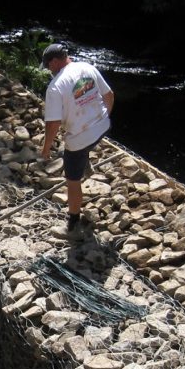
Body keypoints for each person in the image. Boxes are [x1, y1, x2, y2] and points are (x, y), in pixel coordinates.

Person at [39, 43, 114, 235]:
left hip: (80, 139)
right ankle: (85, 160)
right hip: (103, 127)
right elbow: (109, 95)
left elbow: (53, 123)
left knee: (72, 180)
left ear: (55, 62)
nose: (48, 70)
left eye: (48, 66)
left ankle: (72, 222)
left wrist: (46, 149)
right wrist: (103, 117)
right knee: (83, 145)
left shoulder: (55, 87)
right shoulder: (87, 67)